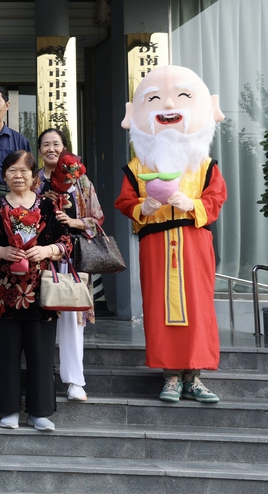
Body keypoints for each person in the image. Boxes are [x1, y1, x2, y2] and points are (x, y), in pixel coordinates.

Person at [115, 65, 227, 404]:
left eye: (180, 97)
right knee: (159, 308)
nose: (168, 107)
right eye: (156, 99)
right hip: (156, 245)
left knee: (198, 308)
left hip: (194, 242)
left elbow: (217, 197)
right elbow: (124, 201)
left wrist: (192, 203)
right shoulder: (138, 167)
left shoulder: (205, 164)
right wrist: (141, 209)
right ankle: (170, 377)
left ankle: (195, 377)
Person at [0, 150, 71, 431]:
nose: (18, 176)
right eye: (12, 170)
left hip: (40, 291)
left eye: (24, 171)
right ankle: (8, 410)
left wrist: (47, 249)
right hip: (3, 293)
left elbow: (67, 242)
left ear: (34, 176)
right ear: (4, 175)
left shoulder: (47, 206)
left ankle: (39, 411)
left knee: (41, 354)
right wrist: (1, 251)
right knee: (6, 354)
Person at [35, 128, 105, 402]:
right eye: (45, 145)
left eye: (56, 144)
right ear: (39, 150)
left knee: (73, 322)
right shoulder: (34, 180)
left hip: (73, 259)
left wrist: (75, 222)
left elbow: (97, 218)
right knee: (42, 320)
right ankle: (41, 378)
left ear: (64, 148)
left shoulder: (81, 181)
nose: (51, 149)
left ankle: (75, 381)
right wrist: (41, 199)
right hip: (41, 259)